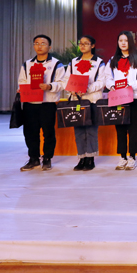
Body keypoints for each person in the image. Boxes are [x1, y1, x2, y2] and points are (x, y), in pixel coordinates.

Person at [18, 35, 66, 171]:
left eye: (43, 43)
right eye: (36, 43)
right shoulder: (27, 64)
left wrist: (49, 86)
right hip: (30, 103)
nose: (39, 46)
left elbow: (62, 83)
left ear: (49, 47)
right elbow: (22, 81)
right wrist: (22, 88)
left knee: (48, 132)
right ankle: (33, 158)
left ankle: (47, 158)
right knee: (30, 132)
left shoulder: (56, 64)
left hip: (47, 103)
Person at [104, 31, 137, 171]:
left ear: (131, 42)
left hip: (134, 97)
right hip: (118, 97)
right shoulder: (113, 60)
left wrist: (130, 86)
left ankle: (132, 157)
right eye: (120, 40)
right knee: (120, 128)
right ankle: (122, 156)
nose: (123, 43)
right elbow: (107, 77)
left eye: (126, 40)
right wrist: (112, 85)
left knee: (133, 128)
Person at [62, 35, 106, 171]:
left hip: (92, 99)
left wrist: (87, 89)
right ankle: (81, 157)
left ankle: (90, 158)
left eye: (86, 43)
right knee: (79, 130)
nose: (82, 46)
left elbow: (102, 81)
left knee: (91, 130)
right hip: (77, 100)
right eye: (80, 43)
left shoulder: (99, 62)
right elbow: (66, 79)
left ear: (92, 46)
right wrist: (72, 89)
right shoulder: (73, 62)